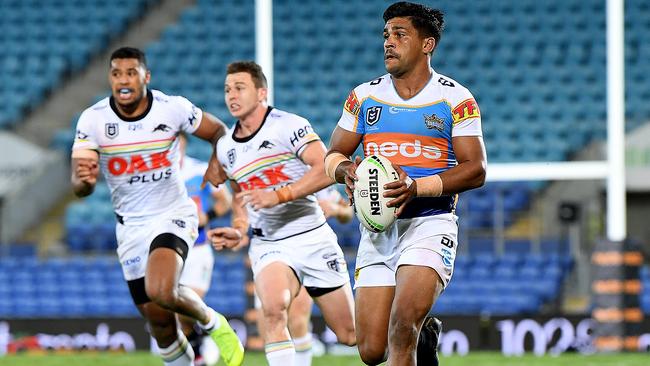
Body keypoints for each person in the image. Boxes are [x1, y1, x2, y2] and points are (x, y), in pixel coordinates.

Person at [324, 2, 487, 366]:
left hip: (430, 222)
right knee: (370, 350)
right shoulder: (364, 96)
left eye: (400, 35)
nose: (388, 43)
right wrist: (345, 171)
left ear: (427, 44)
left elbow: (475, 169)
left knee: (401, 326)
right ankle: (425, 335)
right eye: (386, 35)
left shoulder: (454, 99)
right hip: (378, 229)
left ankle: (414, 329)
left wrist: (416, 187)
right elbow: (333, 153)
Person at [71, 47, 244, 366]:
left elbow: (219, 131)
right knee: (160, 325)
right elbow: (80, 186)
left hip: (172, 214)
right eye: (116, 73)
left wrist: (218, 163)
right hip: (131, 227)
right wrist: (84, 180)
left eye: (131, 73)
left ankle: (212, 323)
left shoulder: (171, 108)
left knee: (161, 289)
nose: (123, 80)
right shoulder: (93, 120)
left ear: (145, 77)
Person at [206, 61, 356, 366]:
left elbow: (327, 169)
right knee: (274, 311)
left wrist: (279, 195)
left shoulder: (288, 125)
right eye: (226, 89)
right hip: (269, 242)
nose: (231, 95)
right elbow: (240, 196)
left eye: (239, 87)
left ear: (262, 92)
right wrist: (239, 226)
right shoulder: (224, 148)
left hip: (311, 235)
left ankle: (414, 337)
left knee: (350, 335)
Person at [254, 185, 354, 366]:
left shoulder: (309, 174)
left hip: (309, 249)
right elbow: (238, 200)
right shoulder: (256, 169)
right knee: (272, 316)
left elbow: (347, 212)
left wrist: (336, 209)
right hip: (271, 246)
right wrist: (239, 227)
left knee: (348, 334)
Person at [178, 133, 233, 366]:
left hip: (197, 248)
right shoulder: (156, 176)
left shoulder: (198, 170)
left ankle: (207, 335)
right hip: (168, 249)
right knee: (178, 312)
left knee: (187, 306)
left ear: (183, 144)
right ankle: (199, 351)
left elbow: (225, 201)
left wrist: (206, 216)